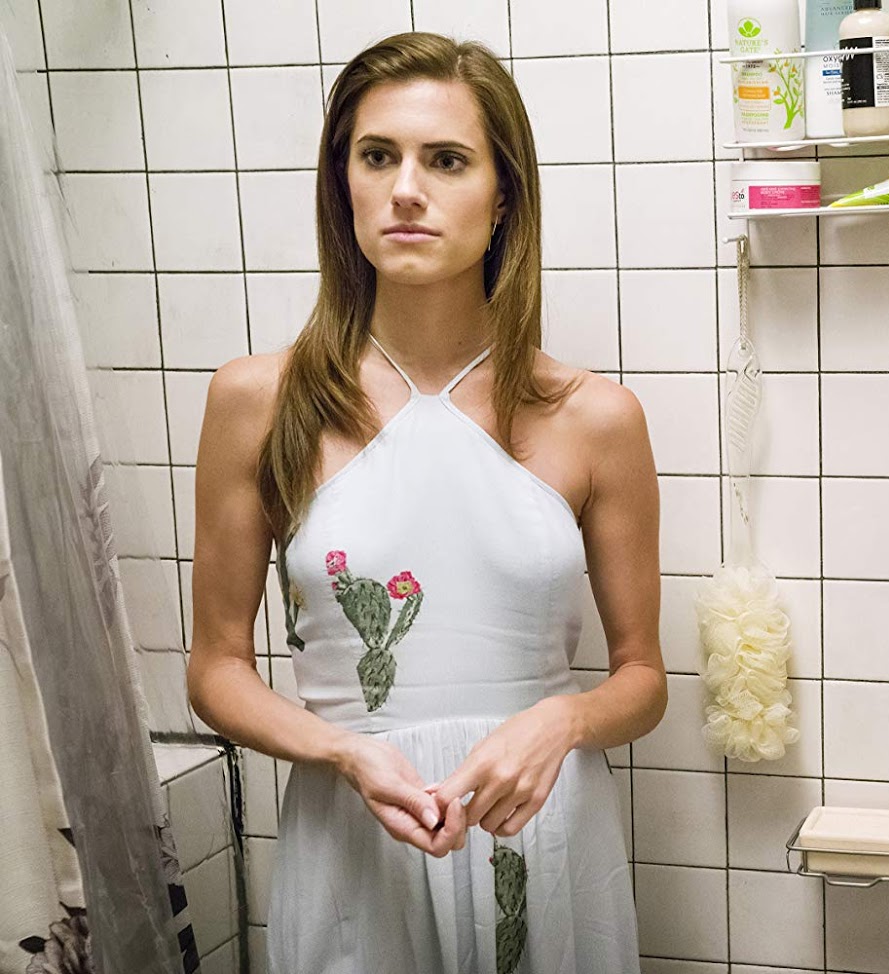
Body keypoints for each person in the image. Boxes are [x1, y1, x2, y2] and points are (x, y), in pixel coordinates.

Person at [186, 33, 664, 974]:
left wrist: (563, 721)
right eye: (378, 156)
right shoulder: (258, 401)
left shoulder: (595, 418)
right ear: (344, 185)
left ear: (503, 197)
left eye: (446, 160)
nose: (406, 189)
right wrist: (341, 752)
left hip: (542, 826)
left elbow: (642, 677)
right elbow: (215, 669)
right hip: (355, 834)